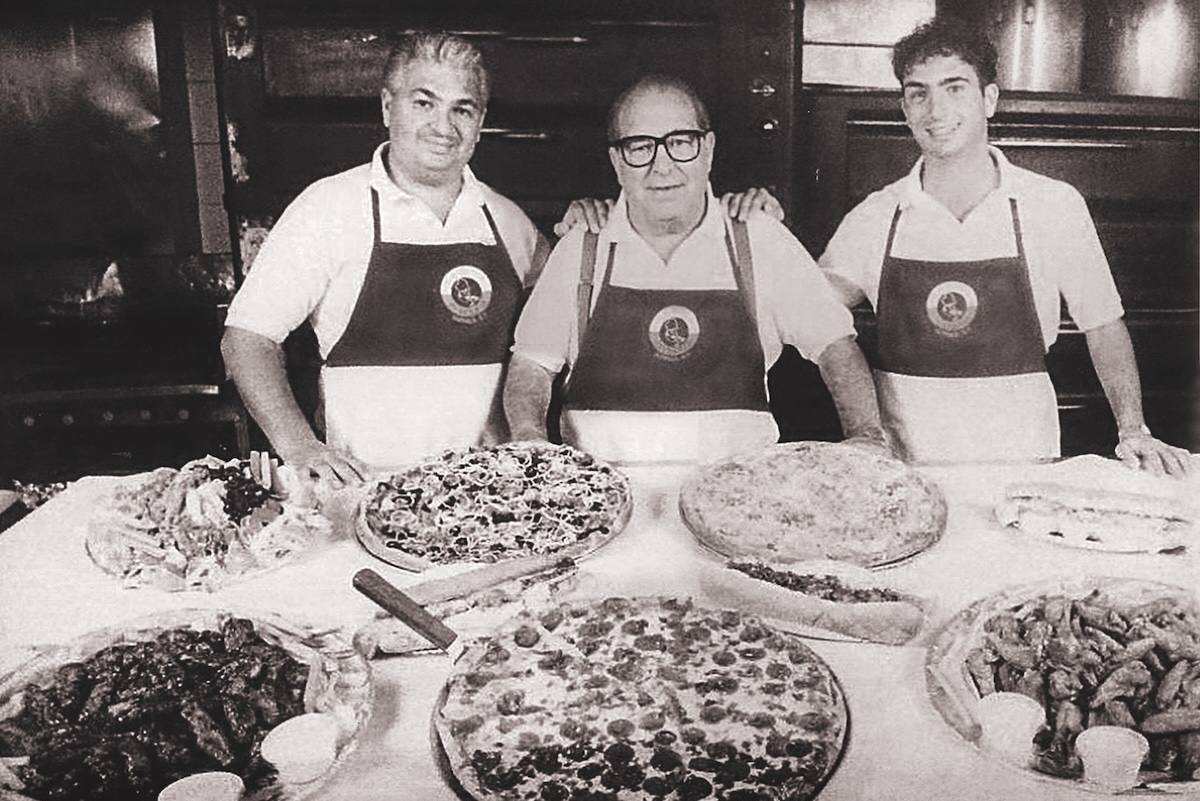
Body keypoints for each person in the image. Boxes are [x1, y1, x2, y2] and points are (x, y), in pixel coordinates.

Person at [817, 17, 1191, 476]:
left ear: (989, 99)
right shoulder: (875, 217)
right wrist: (759, 227)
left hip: (1025, 464)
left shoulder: (1053, 204)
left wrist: (1133, 429)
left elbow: (1103, 326)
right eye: (919, 93)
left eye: (954, 88)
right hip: (905, 471)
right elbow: (814, 320)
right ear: (905, 108)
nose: (935, 110)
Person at [504, 74, 885, 465]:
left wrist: (867, 436)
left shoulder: (759, 239)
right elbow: (531, 364)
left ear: (708, 149)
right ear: (617, 161)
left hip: (736, 499)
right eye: (640, 147)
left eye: (680, 142)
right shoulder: (581, 246)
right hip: (603, 499)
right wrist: (530, 438)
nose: (662, 166)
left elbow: (836, 347)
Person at [221, 31, 548, 485]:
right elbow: (246, 340)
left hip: (489, 499)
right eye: (424, 102)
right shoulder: (327, 209)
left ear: (480, 122)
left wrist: (593, 225)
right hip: (364, 496)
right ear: (386, 106)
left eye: (462, 109)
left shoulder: (511, 223)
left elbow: (566, 326)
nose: (444, 126)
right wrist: (299, 447)